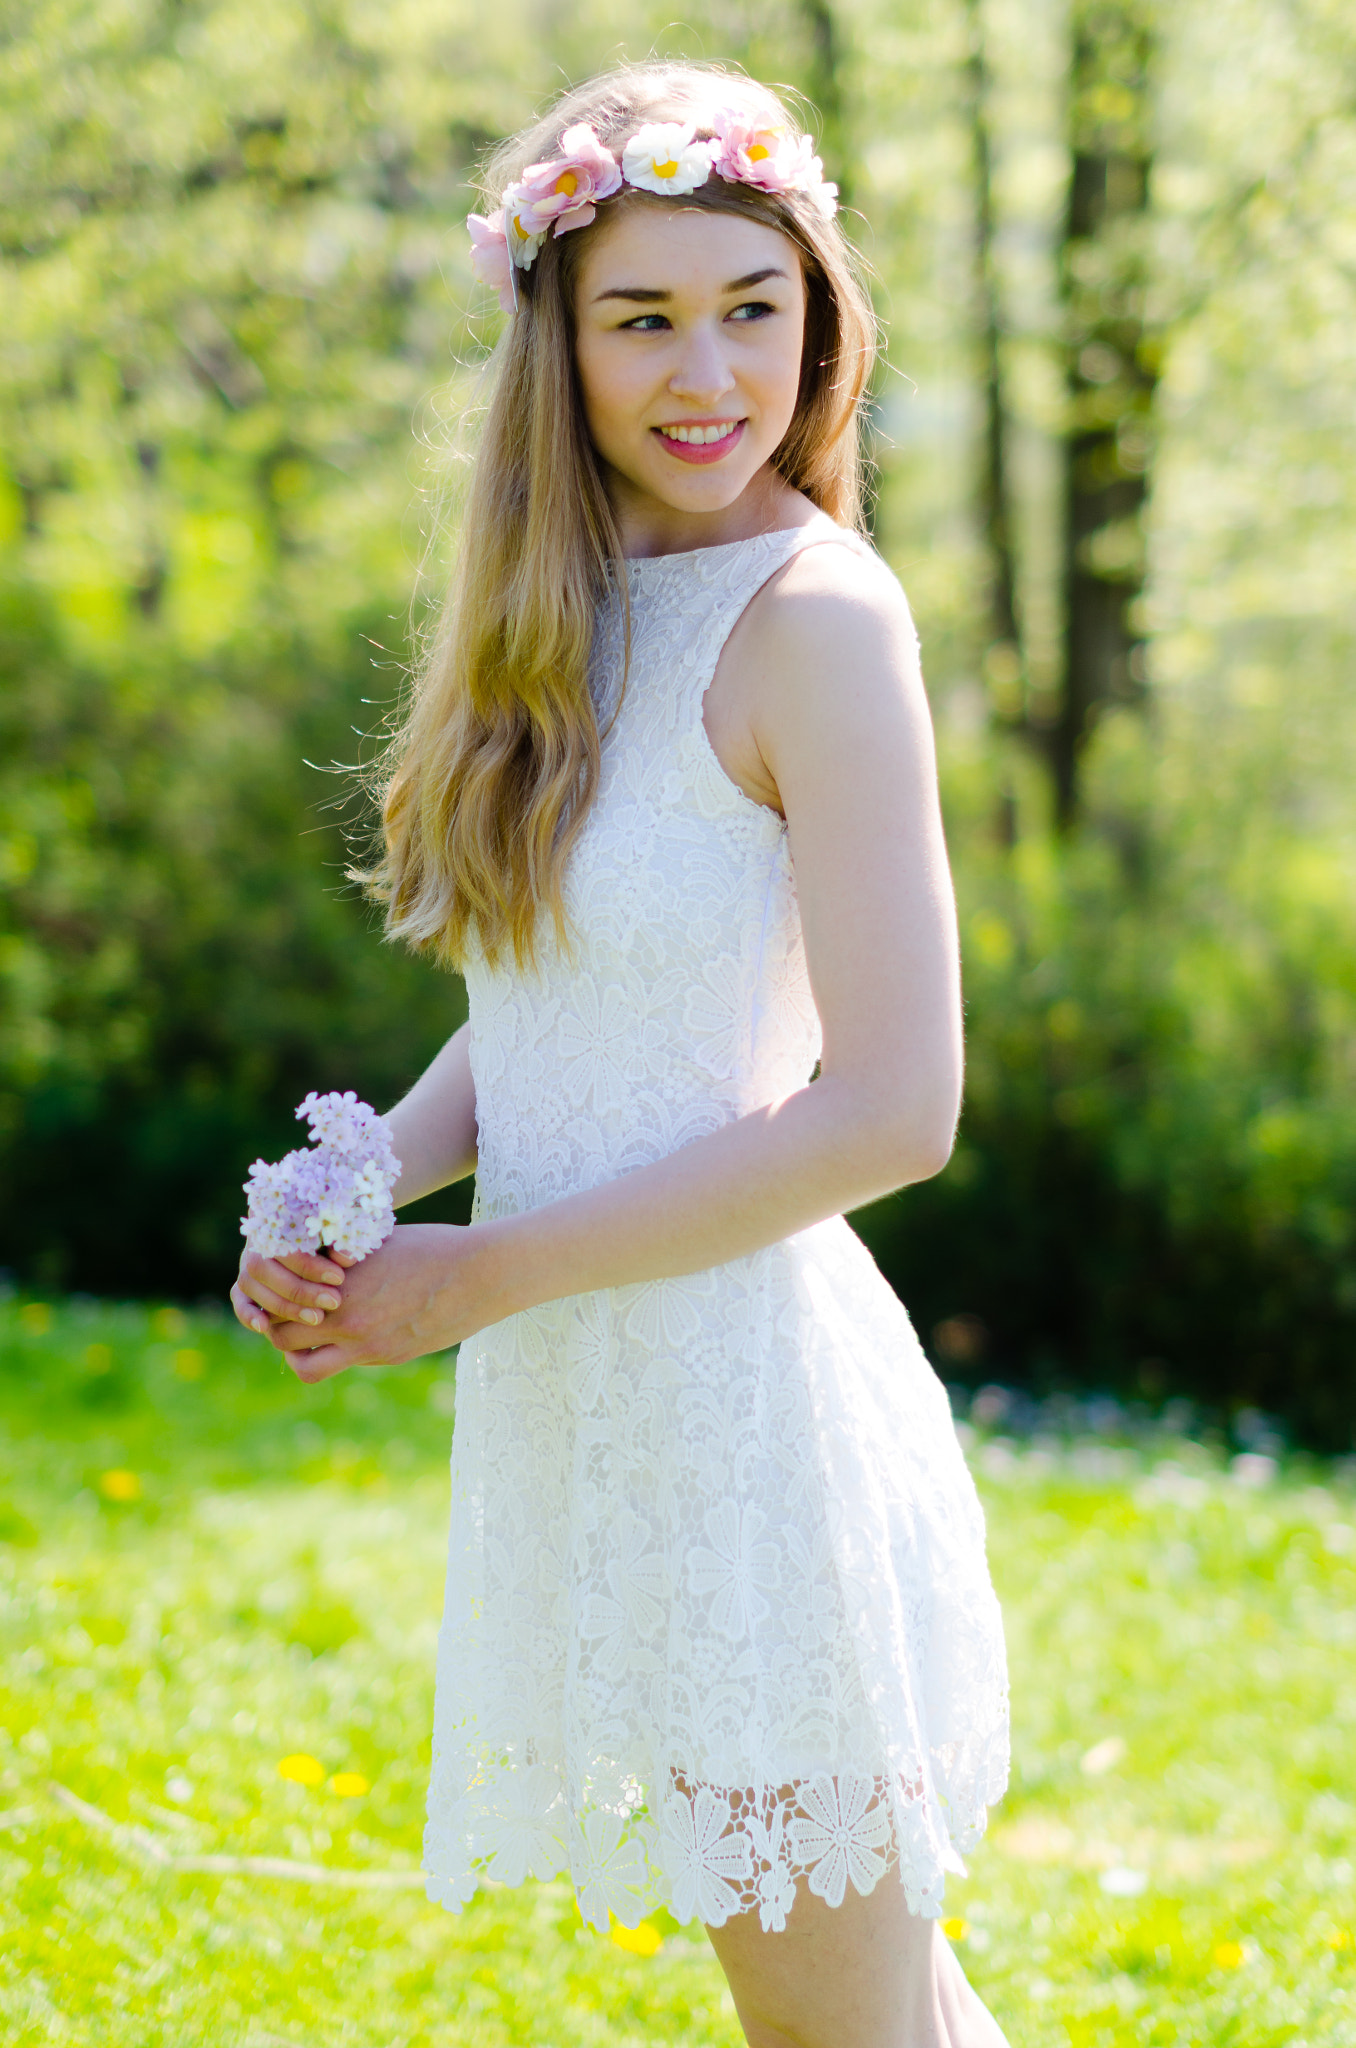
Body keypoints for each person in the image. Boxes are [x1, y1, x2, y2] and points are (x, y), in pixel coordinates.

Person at [232, 61, 1011, 2048]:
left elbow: (896, 1105)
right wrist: (367, 1186)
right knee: (873, 2003)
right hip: (608, 1408)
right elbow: (560, 1002)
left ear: (818, 320)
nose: (707, 369)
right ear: (554, 344)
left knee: (845, 2025)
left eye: (753, 305)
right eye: (643, 315)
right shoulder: (570, 612)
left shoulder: (819, 619)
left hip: (748, 1417)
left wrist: (472, 1274)